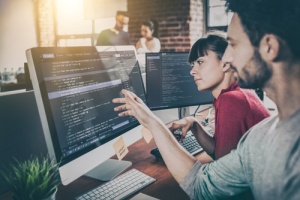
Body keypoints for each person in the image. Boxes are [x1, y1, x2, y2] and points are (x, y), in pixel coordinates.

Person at [113, 0, 300, 199]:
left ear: (269, 47)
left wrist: (152, 121)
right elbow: (202, 185)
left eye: (234, 44)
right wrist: (191, 124)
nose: (227, 59)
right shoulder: (261, 136)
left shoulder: (242, 109)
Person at [169, 31, 270, 164]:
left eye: (200, 62)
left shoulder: (231, 101)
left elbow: (223, 171)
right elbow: (218, 152)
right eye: (193, 64)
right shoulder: (238, 92)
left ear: (225, 64)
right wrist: (194, 123)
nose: (192, 71)